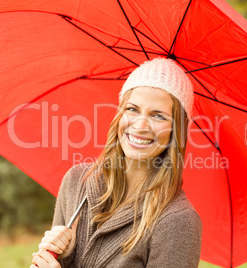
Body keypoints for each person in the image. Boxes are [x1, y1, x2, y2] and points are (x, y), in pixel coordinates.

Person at [31, 58, 203, 268]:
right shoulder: (76, 181)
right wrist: (61, 257)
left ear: (176, 131)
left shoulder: (177, 222)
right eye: (132, 109)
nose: (140, 126)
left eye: (158, 116)